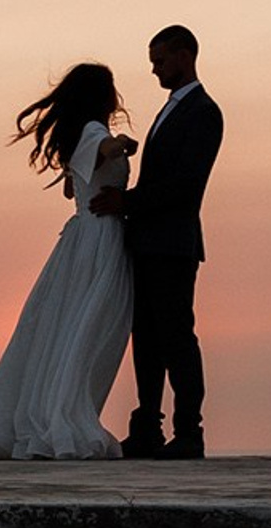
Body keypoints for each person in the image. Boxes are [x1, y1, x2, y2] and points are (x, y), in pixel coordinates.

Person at [0, 62, 136, 460]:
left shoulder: (78, 136)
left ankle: (55, 412)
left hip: (83, 236)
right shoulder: (95, 132)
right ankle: (61, 418)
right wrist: (124, 145)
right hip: (99, 237)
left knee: (67, 330)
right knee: (85, 332)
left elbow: (72, 189)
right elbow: (106, 150)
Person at [89, 25, 221, 459]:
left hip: (173, 243)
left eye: (160, 61)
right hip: (147, 242)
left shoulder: (203, 112)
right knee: (145, 336)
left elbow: (184, 185)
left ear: (185, 56)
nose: (155, 70)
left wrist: (126, 202)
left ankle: (189, 431)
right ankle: (147, 425)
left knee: (177, 335)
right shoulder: (171, 109)